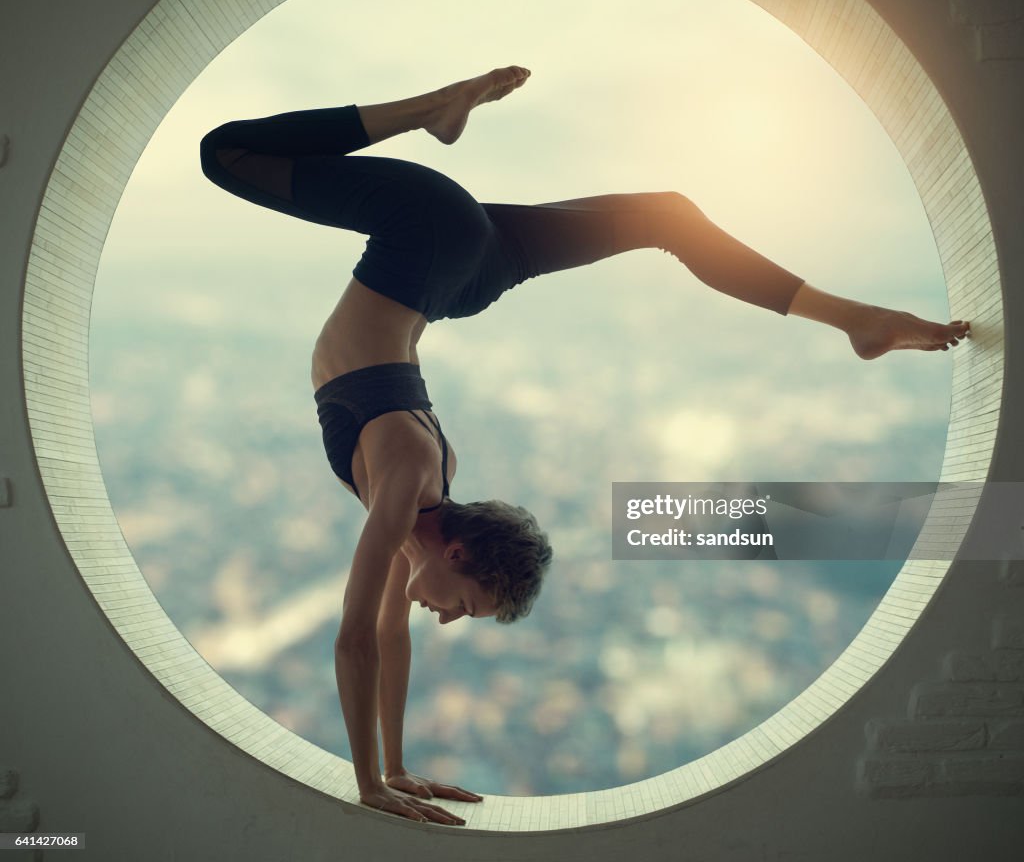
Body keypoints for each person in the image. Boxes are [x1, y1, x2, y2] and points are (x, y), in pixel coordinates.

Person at [199, 66, 970, 825]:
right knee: (223, 152)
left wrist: (395, 768)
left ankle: (856, 320)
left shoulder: (421, 505)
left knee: (664, 216)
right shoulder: (407, 476)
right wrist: (369, 784)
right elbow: (354, 642)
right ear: (459, 555)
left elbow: (387, 635)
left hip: (465, 270)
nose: (447, 618)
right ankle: (430, 107)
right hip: (426, 238)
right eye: (465, 607)